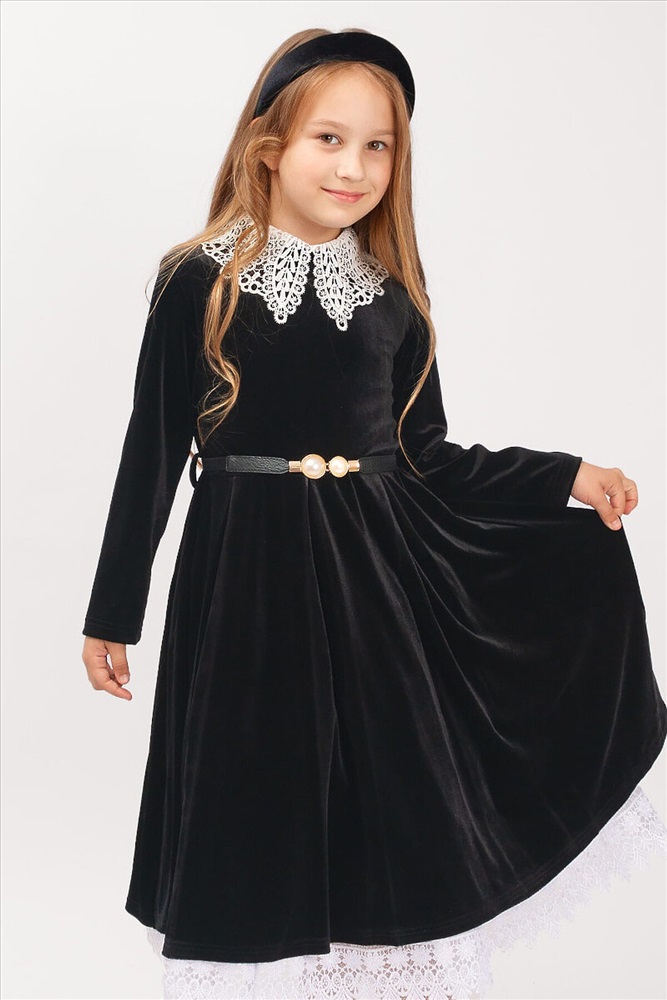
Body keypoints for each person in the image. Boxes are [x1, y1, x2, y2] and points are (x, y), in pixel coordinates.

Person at [80, 27, 667, 1000]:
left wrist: (562, 475)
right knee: (258, 794)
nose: (353, 167)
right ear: (269, 144)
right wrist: (113, 612)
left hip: (378, 595)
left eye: (377, 146)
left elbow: (428, 457)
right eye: (329, 139)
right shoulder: (199, 280)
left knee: (388, 803)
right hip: (246, 589)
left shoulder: (393, 299)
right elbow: (151, 452)